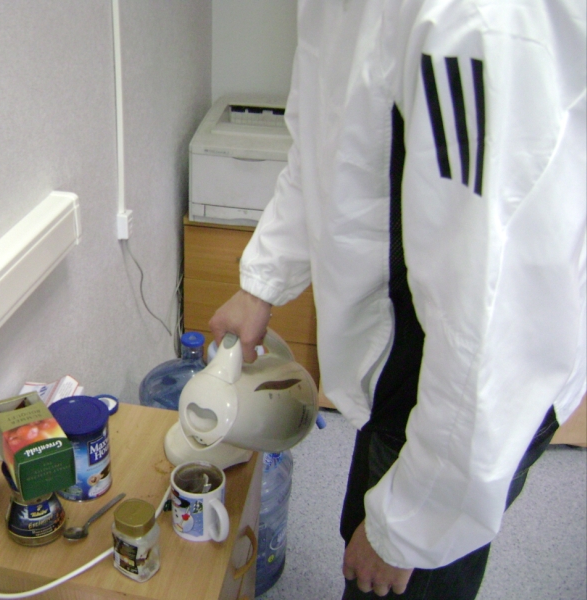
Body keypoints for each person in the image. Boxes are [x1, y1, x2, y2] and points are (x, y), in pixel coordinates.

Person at [208, 1, 586, 598]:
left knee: (396, 570)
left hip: (471, 393)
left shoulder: (473, 21)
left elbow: (490, 310)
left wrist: (408, 526)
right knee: (364, 526)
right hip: (400, 355)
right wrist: (263, 281)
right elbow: (324, 141)